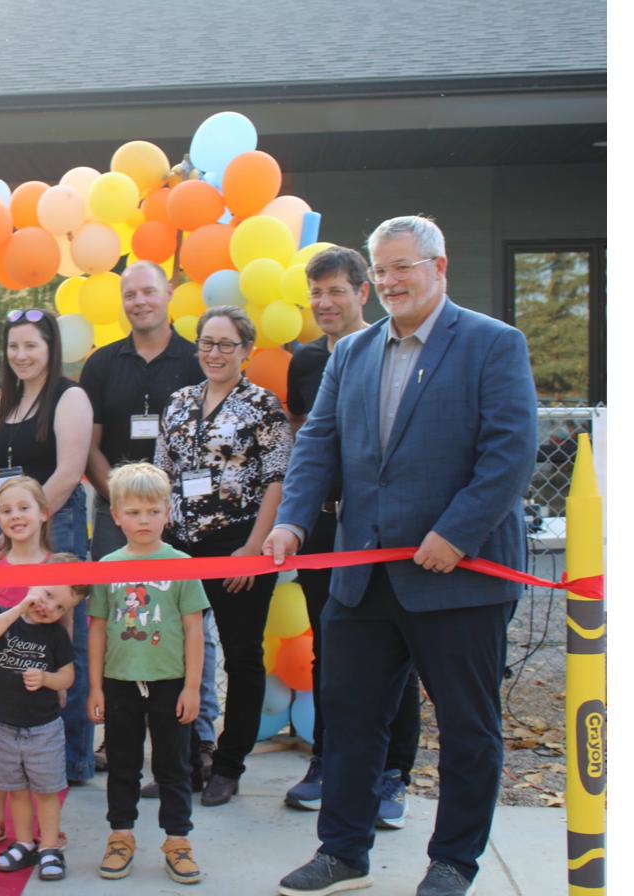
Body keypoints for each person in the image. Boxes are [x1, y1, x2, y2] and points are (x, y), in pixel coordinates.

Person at [268, 216, 538, 896]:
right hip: (362, 579)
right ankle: (343, 852)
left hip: (461, 579)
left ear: (438, 266)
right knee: (351, 719)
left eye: (401, 268)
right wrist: (294, 522)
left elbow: (510, 454)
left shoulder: (492, 344)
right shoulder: (351, 355)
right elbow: (318, 447)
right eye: (380, 271)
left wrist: (457, 533)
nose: (388, 282)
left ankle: (453, 863)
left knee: (469, 729)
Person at [282, 247, 421, 828]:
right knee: (329, 649)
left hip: (381, 532)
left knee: (398, 652)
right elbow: (307, 444)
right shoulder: (306, 362)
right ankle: (327, 760)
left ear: (364, 293)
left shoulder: (395, 350)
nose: (325, 303)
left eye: (337, 291)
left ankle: (393, 775)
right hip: (324, 528)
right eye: (316, 293)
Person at [81, 261, 218, 791]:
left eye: (148, 292)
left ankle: (196, 735)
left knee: (188, 625)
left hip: (180, 514)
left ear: (170, 295)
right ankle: (118, 732)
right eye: (130, 293)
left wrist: (167, 505)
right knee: (120, 620)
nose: (139, 301)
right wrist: (118, 497)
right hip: (118, 515)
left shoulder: (194, 359)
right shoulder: (101, 364)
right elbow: (90, 442)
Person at [152, 305, 292, 808]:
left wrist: (252, 550)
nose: (214, 353)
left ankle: (229, 766)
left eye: (226, 345)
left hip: (237, 544)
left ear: (247, 351)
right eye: (206, 343)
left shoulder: (263, 405)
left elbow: (278, 480)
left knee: (241, 656)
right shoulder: (179, 402)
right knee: (174, 656)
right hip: (181, 548)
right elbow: (161, 470)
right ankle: (188, 760)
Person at [0, 307, 96, 785]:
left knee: (64, 638)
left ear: (50, 350)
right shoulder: (4, 399)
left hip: (55, 526)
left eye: (32, 345)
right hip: (11, 530)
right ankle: (23, 754)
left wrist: (29, 525)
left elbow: (68, 472)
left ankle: (72, 759)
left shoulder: (70, 397)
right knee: (18, 634)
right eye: (14, 346)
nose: (21, 355)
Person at [86, 462, 208, 884]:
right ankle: (121, 836)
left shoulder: (182, 564)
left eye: (153, 511)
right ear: (116, 515)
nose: (144, 520)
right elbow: (98, 627)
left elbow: (195, 629)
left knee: (173, 767)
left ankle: (178, 840)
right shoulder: (106, 565)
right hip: (120, 683)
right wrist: (96, 687)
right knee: (122, 764)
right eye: (134, 512)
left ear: (167, 512)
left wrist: (193, 687)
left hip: (170, 683)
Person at [0, 475, 52, 852]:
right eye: (6, 510)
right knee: (1, 752)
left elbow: (66, 634)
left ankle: (44, 828)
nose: (15, 516)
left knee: (43, 757)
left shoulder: (58, 567)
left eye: (24, 507)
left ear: (44, 514)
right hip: (1, 681)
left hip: (43, 681)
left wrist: (60, 681)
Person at [0, 583, 78, 881]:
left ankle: (48, 847)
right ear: (34, 586)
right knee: (16, 789)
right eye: (48, 596)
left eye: (61, 607)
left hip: (43, 728)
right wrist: (20, 608)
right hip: (5, 725)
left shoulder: (56, 634)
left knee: (46, 791)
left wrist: (47, 678)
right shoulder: (2, 616)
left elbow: (68, 677)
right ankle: (23, 842)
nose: (51, 609)